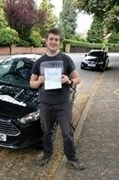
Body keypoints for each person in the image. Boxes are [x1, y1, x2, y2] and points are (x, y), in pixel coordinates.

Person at [29, 28, 85, 170]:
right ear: (46, 40)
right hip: (45, 103)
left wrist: (69, 80)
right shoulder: (39, 62)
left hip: (62, 104)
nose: (53, 42)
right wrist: (40, 81)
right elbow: (32, 83)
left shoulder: (66, 59)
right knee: (47, 131)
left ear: (59, 42)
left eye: (56, 39)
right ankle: (47, 154)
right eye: (51, 39)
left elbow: (77, 79)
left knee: (67, 133)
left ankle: (72, 158)